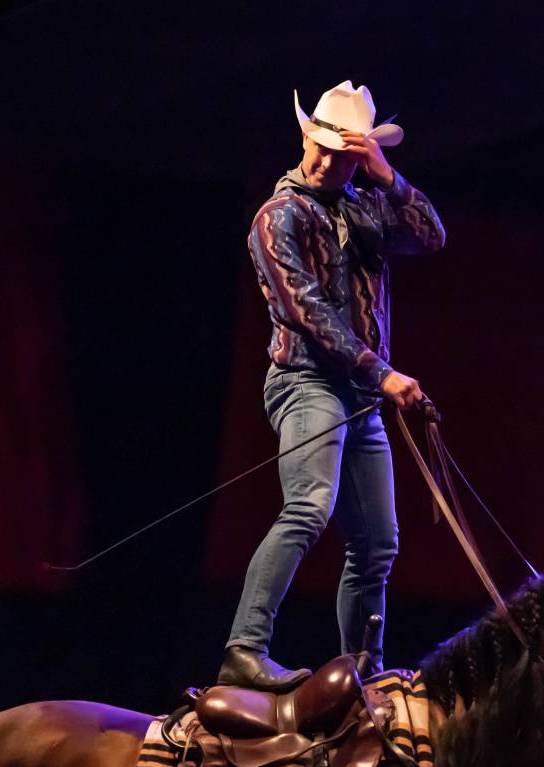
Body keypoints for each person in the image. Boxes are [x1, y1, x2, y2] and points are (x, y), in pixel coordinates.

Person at [216, 81, 446, 691]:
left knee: (378, 544)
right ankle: (244, 647)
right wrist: (382, 372)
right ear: (304, 137)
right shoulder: (277, 217)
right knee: (309, 506)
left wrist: (388, 177)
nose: (326, 163)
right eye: (320, 149)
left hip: (361, 398)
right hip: (307, 381)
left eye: (343, 157)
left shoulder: (367, 209)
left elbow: (431, 235)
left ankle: (366, 669)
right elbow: (307, 312)